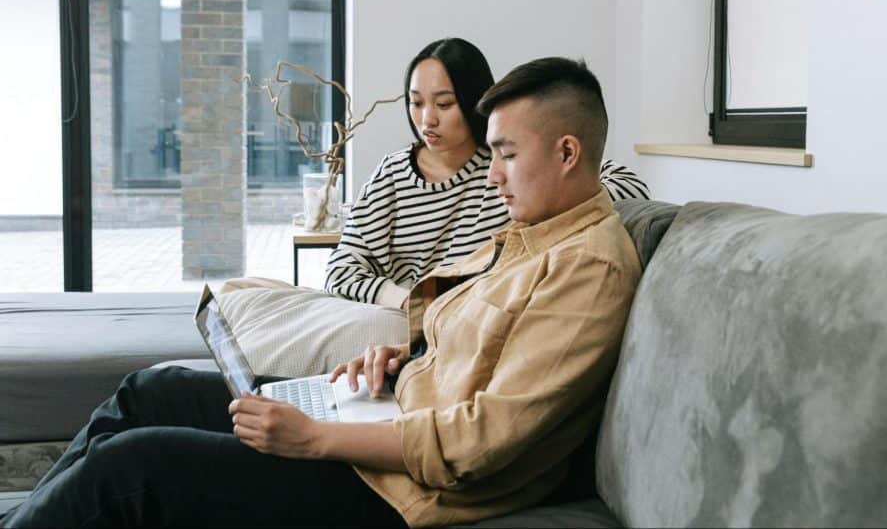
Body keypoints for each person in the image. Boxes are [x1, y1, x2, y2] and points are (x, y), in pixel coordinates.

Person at [1, 57, 643, 528]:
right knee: (150, 390)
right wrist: (402, 363)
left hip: (398, 489)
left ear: (566, 152)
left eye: (505, 155)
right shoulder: (526, 236)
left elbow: (477, 443)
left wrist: (314, 439)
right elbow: (463, 345)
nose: (493, 174)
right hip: (385, 417)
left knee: (134, 468)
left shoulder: (588, 268)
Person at [323, 36, 650, 306]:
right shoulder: (392, 174)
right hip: (400, 314)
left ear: (473, 100)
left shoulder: (513, 172)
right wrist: (409, 300)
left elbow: (617, 182)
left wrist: (555, 199)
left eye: (444, 104)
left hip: (469, 313)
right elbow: (340, 270)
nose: (427, 120)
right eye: (416, 102)